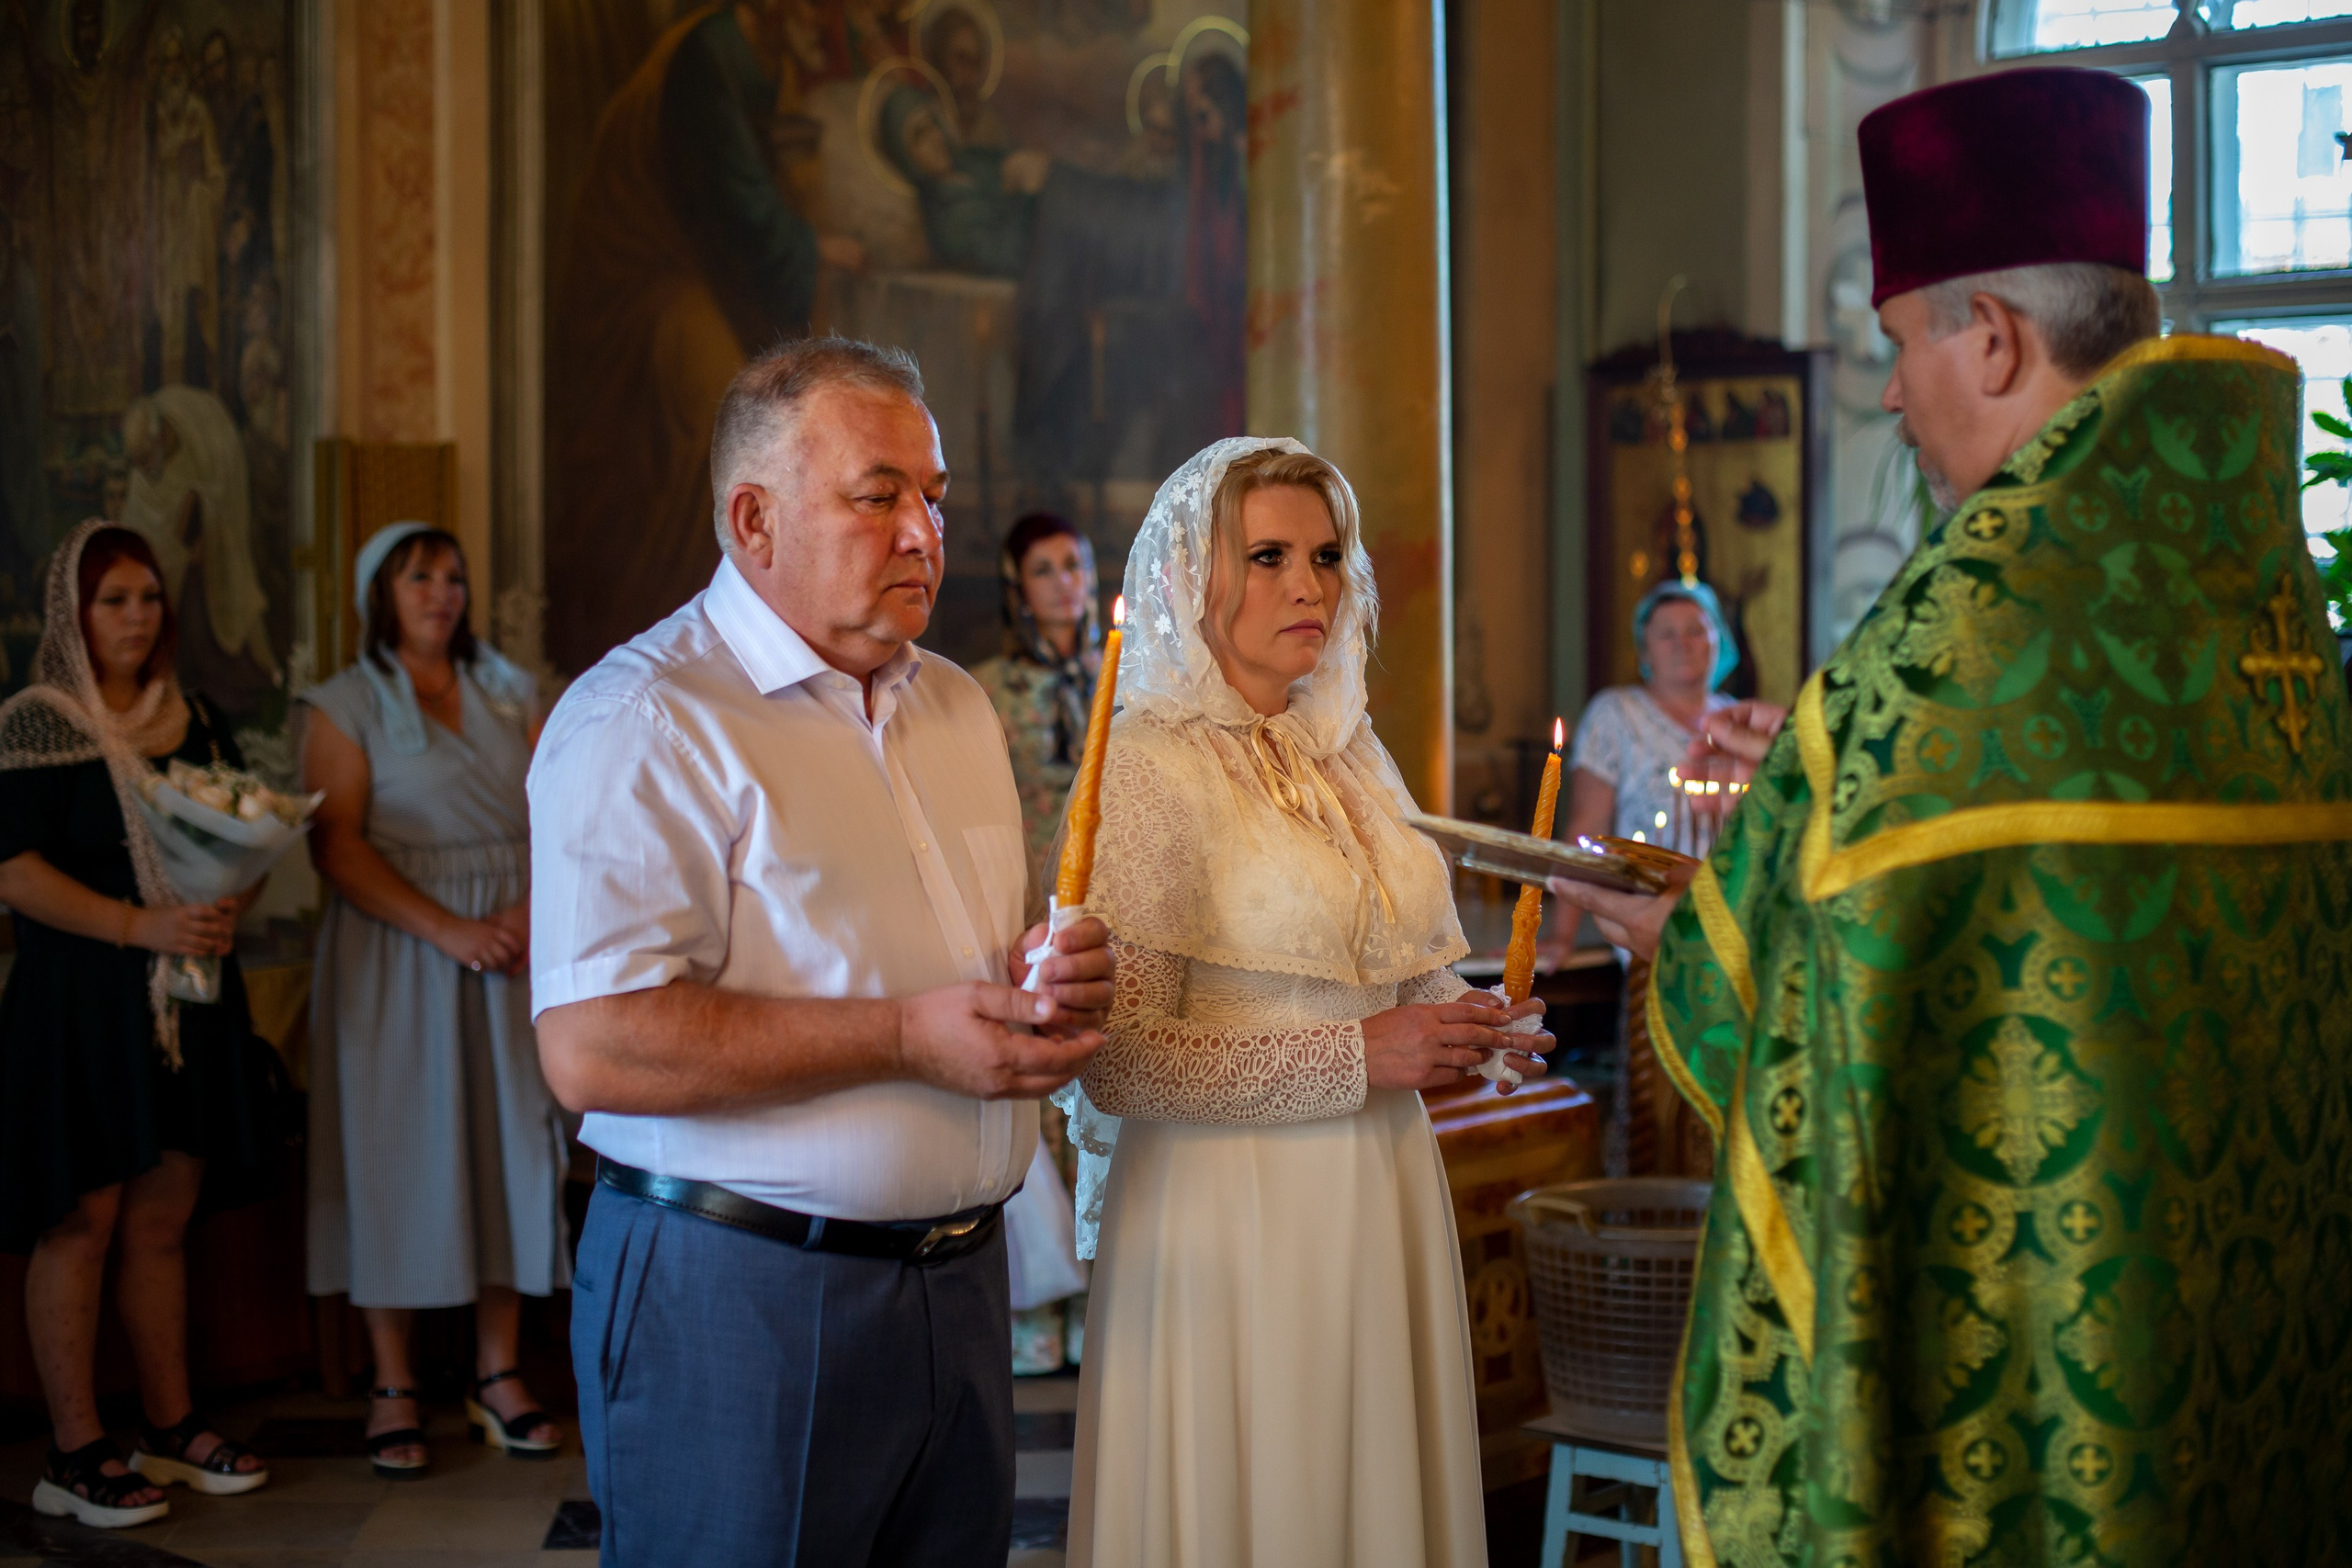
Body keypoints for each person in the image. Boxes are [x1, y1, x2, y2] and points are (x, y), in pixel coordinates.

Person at [1546, 68, 2352, 1565]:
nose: (1896, 393)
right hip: (2251, 1383)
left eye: (1900, 344)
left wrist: (1691, 924)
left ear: (1991, 337)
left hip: (2039, 1411)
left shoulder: (1967, 634)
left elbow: (1803, 1035)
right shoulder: (2260, 595)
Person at [530, 337, 1115, 1567]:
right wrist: (907, 1034)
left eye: (935, 497)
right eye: (878, 493)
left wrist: (1039, 981)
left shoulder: (955, 705)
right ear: (754, 519)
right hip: (740, 1287)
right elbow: (593, 1044)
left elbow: (955, 952)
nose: (923, 531)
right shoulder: (648, 717)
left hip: (960, 1286)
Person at [1061, 438, 1550, 1568]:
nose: (1308, 585)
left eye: (1326, 556)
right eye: (1268, 554)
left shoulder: (1345, 751)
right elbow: (1117, 1061)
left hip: (1378, 1187)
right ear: (1194, 575)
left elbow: (1377, 963)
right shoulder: (1147, 765)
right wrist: (1359, 1058)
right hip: (1232, 1214)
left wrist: (1473, 1020)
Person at [0, 521, 273, 1529]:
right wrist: (141, 922)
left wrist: (228, 892)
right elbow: (15, 872)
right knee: (83, 1219)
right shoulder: (37, 721)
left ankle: (172, 1423)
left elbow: (244, 821)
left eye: (149, 598)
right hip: (78, 1003)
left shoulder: (190, 716)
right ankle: (72, 1452)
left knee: (162, 1219)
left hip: (184, 1000)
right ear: (72, 611)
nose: (135, 617)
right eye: (113, 599)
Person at [300, 524, 570, 1477]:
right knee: (395, 1150)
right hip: (398, 952)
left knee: (511, 1139)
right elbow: (336, 848)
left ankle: (497, 1371)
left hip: (514, 939)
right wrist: (449, 930)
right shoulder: (342, 705)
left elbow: (567, 806)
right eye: (421, 577)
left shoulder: (509, 689)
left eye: (455, 578)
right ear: (383, 592)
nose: (442, 594)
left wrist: (534, 913)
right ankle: (393, 1380)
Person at [546, 0, 865, 673]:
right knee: (722, 417)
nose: (819, 18)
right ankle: (695, 650)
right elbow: (735, 207)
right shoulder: (707, 54)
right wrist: (811, 250)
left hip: (706, 271)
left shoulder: (759, 56)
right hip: (644, 283)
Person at [969, 511, 1099, 1371]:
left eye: (1075, 566)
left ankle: (1101, 1292)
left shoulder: (1126, 678)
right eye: (1046, 569)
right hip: (1028, 911)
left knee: (1106, 1095)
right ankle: (1033, 1310)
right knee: (1040, 1107)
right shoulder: (986, 688)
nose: (1065, 583)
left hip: (1117, 912)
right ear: (1019, 587)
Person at [1563, 578, 1737, 850]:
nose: (1682, 643)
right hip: (1643, 890)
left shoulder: (1738, 719)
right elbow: (1587, 830)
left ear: (1718, 640)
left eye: (1695, 630)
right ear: (1645, 651)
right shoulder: (1616, 714)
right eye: (1667, 634)